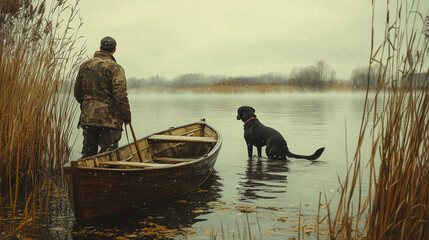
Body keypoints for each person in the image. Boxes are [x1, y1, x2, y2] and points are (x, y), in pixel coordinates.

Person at [74, 36, 131, 158]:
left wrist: (88, 105)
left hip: (88, 118)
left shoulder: (84, 65)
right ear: (114, 50)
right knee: (108, 154)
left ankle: (86, 175)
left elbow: (77, 93)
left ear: (100, 48)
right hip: (109, 120)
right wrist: (126, 116)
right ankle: (106, 175)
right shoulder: (116, 68)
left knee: (88, 153)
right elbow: (120, 96)